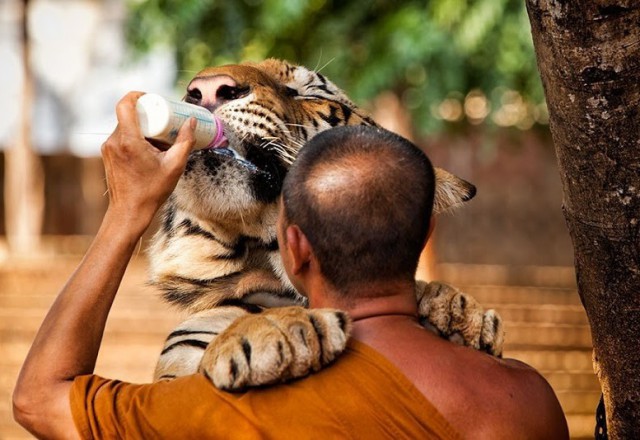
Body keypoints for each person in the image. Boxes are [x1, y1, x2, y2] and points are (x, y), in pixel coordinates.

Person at [13, 92, 569, 439]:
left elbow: (38, 400)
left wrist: (125, 212)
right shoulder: (527, 400)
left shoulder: (226, 412)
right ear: (425, 233)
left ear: (295, 248)